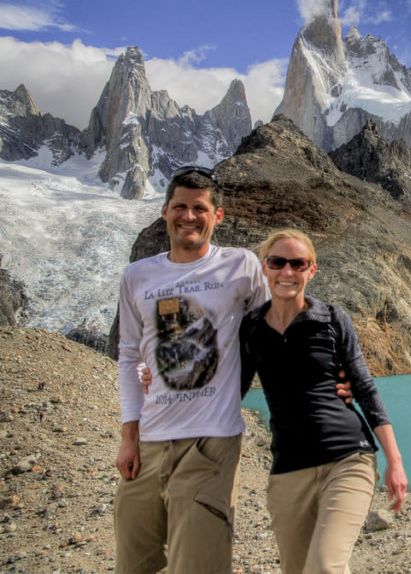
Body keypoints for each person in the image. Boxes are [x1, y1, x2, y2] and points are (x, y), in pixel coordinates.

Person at [114, 165, 272, 573]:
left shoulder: (242, 267)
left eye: (200, 208)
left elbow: (273, 336)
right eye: (180, 207)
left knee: (198, 566)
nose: (189, 216)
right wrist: (129, 437)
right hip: (148, 444)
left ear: (217, 215)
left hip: (211, 443)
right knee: (134, 563)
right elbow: (130, 355)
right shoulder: (137, 276)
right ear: (165, 211)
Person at [239, 228, 408, 573]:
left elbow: (364, 388)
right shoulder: (251, 327)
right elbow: (230, 390)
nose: (287, 272)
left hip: (348, 458)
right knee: (297, 568)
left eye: (298, 264)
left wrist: (395, 460)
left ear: (311, 270)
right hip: (288, 469)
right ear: (264, 267)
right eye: (278, 262)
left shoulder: (331, 319)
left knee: (324, 567)